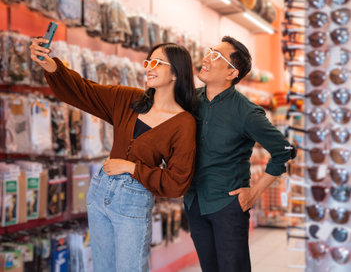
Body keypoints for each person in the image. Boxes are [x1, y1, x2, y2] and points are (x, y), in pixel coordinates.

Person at [30, 39, 197, 272]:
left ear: (176, 73)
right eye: (149, 61)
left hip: (134, 201)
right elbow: (85, 91)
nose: (149, 67)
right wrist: (50, 65)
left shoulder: (184, 123)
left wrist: (132, 168)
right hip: (100, 191)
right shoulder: (128, 99)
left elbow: (177, 181)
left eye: (158, 63)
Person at [184, 36, 296, 272]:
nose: (206, 58)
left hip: (228, 206)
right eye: (209, 51)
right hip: (195, 202)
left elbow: (283, 151)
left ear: (231, 73)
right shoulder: (190, 100)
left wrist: (255, 192)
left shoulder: (246, 112)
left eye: (216, 56)